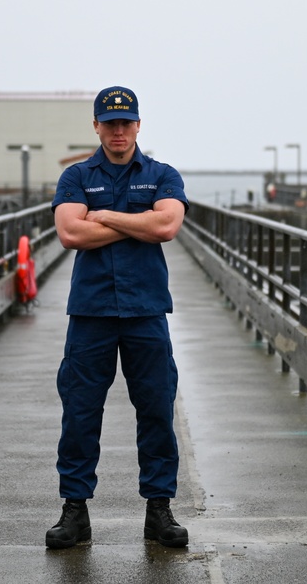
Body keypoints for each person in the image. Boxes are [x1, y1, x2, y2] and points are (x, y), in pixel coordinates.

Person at [45, 86, 190, 549]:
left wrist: (103, 216)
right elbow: (70, 233)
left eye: (126, 122)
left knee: (156, 410)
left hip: (146, 311)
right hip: (91, 313)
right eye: (110, 123)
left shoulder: (163, 175)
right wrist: (135, 223)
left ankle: (159, 511)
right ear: (96, 127)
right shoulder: (76, 177)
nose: (119, 130)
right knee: (81, 412)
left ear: (139, 125)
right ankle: (74, 511)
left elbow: (166, 226)